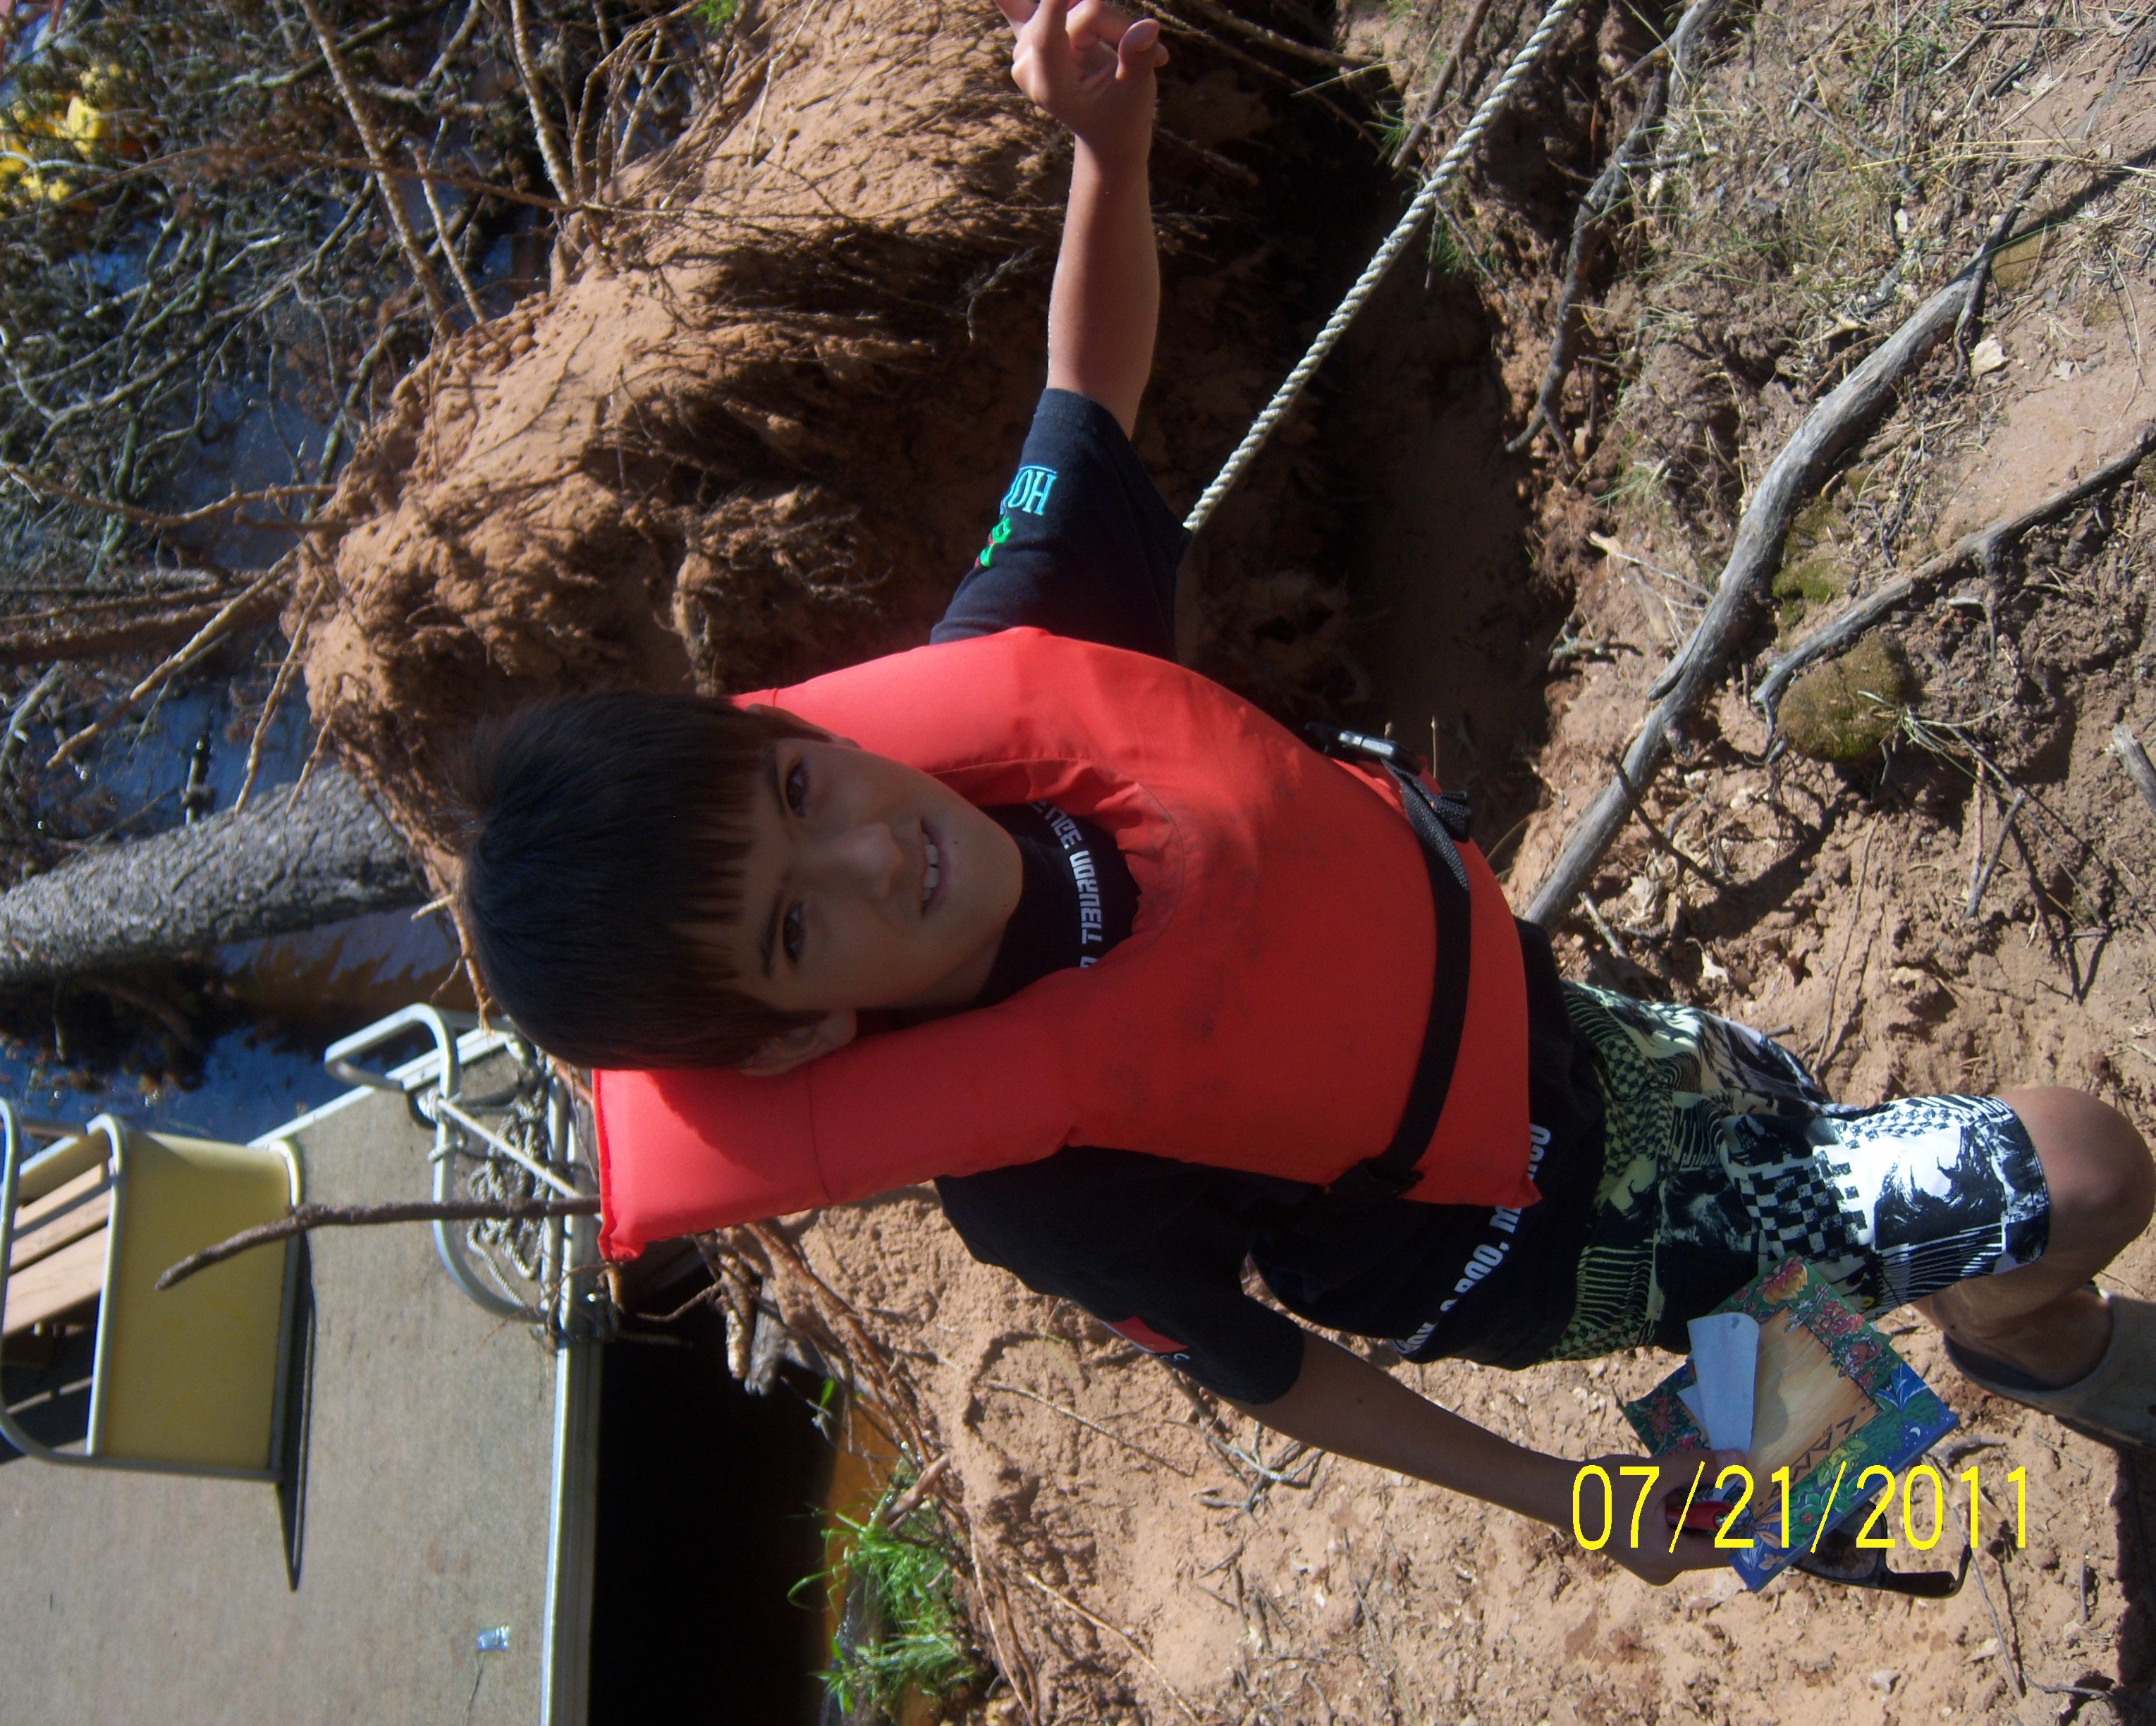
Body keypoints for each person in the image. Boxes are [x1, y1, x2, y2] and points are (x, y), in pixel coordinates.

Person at [456, 0, 2156, 1586]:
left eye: (797, 788)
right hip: (1535, 1251)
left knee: (1788, 1139)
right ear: (789, 1042)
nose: (866, 851)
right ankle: (2018, 1349)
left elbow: (1085, 396)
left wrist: (1107, 157)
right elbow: (1270, 1367)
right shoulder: (1033, 1183)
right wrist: (1579, 1505)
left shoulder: (1018, 670)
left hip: (1582, 1043)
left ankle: (1902, 1377)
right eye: (793, 926)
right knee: (2075, 1167)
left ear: (786, 728)